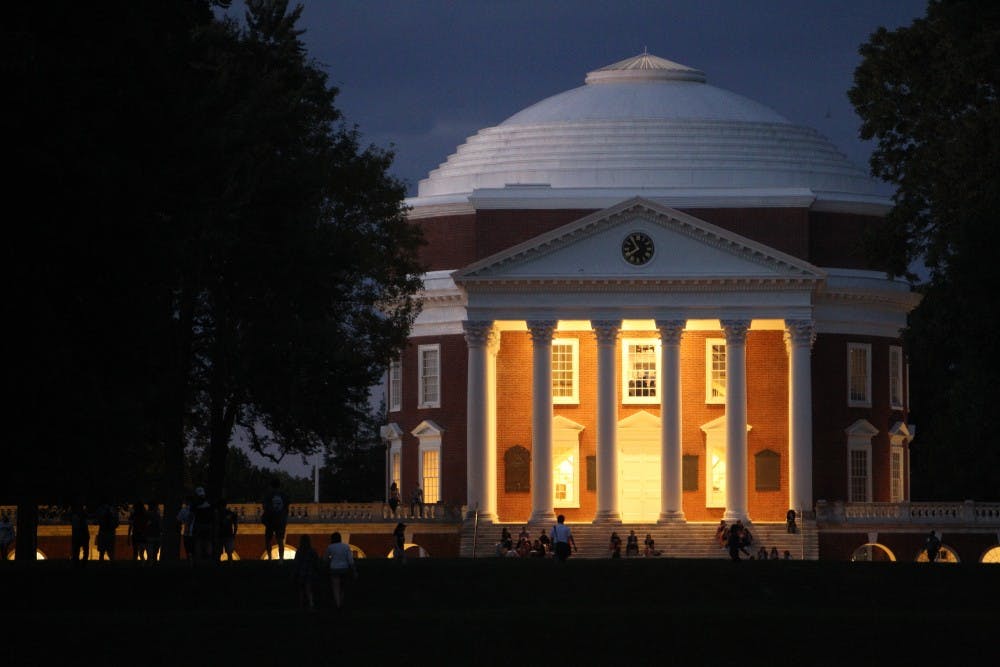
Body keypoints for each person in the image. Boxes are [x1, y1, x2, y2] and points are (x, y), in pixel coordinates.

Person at [325, 532, 357, 609]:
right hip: (344, 569)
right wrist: (354, 571)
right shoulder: (346, 547)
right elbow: (351, 561)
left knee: (336, 588)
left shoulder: (330, 547)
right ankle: (342, 602)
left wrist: (331, 560)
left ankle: (338, 604)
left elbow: (325, 559)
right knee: (343, 587)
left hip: (334, 569)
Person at [262, 478, 289, 560]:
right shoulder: (283, 495)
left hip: (270, 519)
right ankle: (281, 559)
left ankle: (270, 557)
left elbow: (265, 506)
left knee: (268, 539)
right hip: (280, 519)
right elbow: (286, 507)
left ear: (271, 486)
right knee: (280, 540)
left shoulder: (268, 494)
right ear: (279, 485)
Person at [293, 534, 320, 610]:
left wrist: (295, 573)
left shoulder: (299, 551)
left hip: (301, 572)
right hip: (310, 572)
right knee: (309, 589)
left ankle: (301, 604)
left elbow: (296, 563)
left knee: (301, 589)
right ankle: (311, 603)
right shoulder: (312, 551)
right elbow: (316, 562)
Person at [190, 487, 215, 563]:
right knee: (208, 542)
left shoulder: (194, 504)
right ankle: (208, 558)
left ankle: (199, 558)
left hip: (199, 525)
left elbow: (191, 514)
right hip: (208, 525)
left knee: (198, 542)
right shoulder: (209, 504)